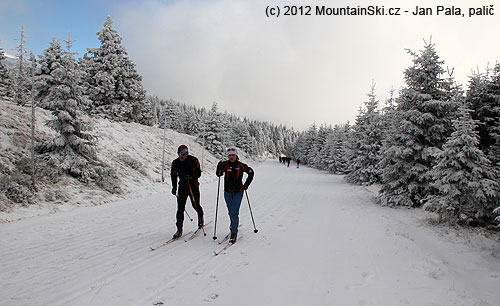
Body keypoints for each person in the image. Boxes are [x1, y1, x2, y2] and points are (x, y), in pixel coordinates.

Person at [216, 147, 254, 243]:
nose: (231, 157)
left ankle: (234, 233)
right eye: (230, 155)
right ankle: (233, 224)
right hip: (227, 192)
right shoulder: (225, 164)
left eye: (233, 155)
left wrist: (246, 185)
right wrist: (218, 168)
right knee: (230, 212)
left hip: (238, 192)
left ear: (236, 156)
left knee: (234, 212)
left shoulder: (241, 165)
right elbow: (219, 174)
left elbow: (251, 172)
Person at [170, 145, 204, 239]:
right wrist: (174, 187)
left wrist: (192, 177)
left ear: (187, 153)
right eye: (180, 154)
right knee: (180, 208)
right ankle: (179, 229)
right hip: (183, 187)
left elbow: (198, 173)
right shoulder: (175, 162)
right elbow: (173, 175)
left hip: (193, 186)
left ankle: (201, 220)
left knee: (195, 205)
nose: (182, 156)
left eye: (184, 154)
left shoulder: (193, 160)